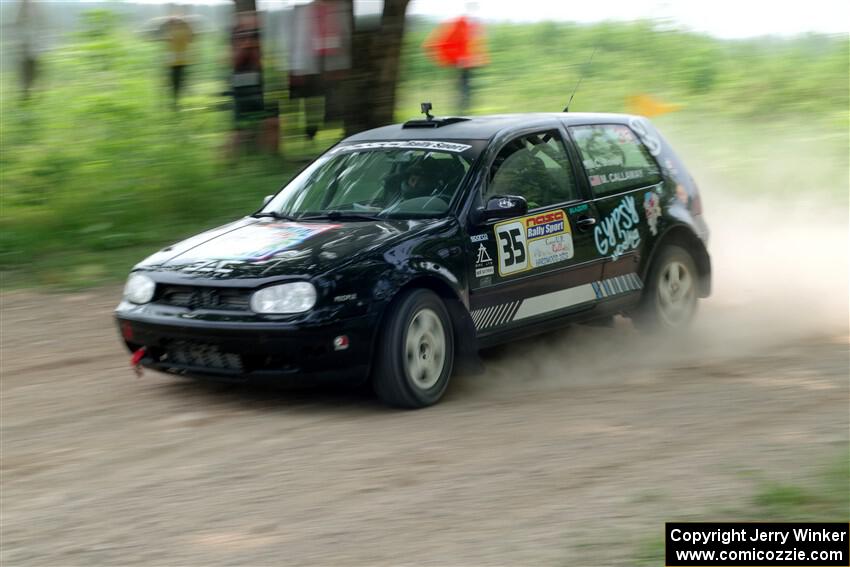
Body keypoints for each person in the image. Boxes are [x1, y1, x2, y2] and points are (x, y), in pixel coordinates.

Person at [158, 5, 195, 109]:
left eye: (181, 14)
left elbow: (191, 38)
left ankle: (176, 102)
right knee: (172, 81)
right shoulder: (169, 25)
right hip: (172, 59)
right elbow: (162, 34)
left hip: (182, 59)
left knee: (178, 81)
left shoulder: (186, 25)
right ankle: (174, 102)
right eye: (176, 14)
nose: (178, 16)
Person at [14, 0, 46, 101]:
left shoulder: (34, 7)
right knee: (26, 75)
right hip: (26, 50)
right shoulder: (22, 11)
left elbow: (40, 28)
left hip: (33, 50)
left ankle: (33, 94)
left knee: (33, 73)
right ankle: (26, 95)